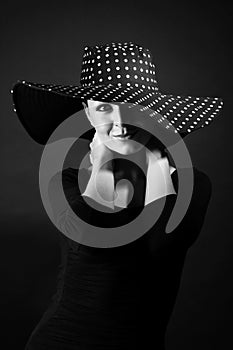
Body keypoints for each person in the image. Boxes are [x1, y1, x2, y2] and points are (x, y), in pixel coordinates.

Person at [11, 42, 223, 349]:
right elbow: (93, 235)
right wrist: (102, 163)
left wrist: (156, 162)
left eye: (131, 108)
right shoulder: (65, 182)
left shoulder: (193, 184)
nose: (120, 122)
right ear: (86, 109)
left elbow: (163, 244)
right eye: (104, 107)